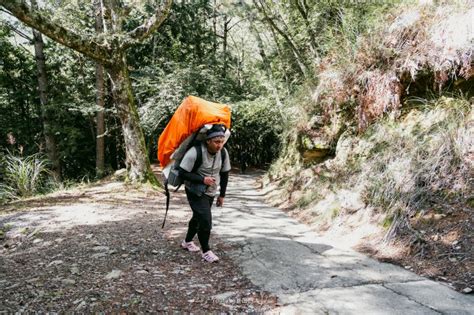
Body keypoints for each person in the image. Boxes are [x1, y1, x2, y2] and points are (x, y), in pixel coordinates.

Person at [178, 124, 231, 263]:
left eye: (221, 141)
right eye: (216, 142)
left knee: (197, 217)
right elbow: (182, 172)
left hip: (211, 191)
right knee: (206, 220)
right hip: (195, 190)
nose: (219, 145)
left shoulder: (223, 153)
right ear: (208, 141)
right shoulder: (195, 152)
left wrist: (222, 195)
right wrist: (202, 179)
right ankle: (206, 251)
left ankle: (187, 241)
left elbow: (225, 174)